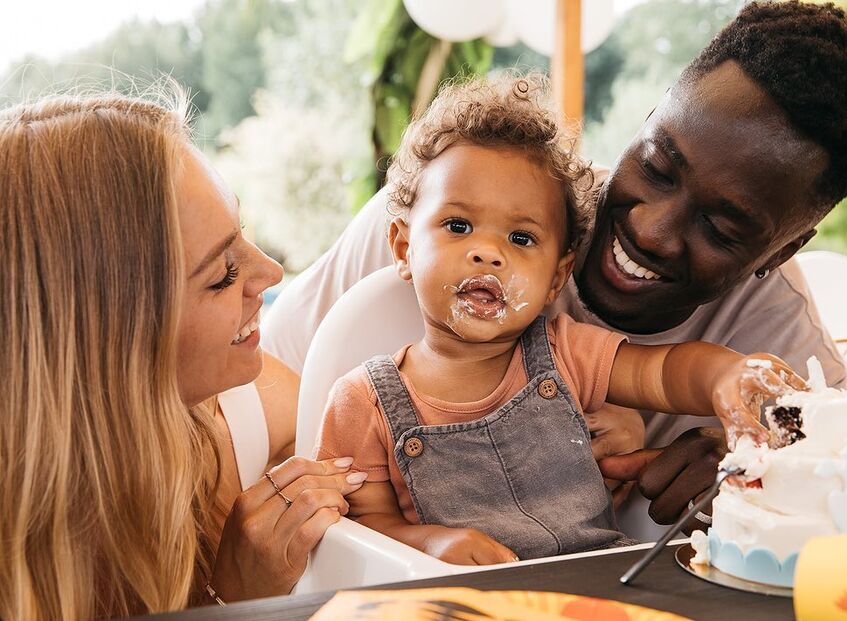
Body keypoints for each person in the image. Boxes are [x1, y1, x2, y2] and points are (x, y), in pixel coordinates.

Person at [263, 1, 847, 540]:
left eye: (723, 227)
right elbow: (268, 386)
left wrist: (747, 461)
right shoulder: (444, 216)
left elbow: (832, 462)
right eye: (657, 165)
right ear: (649, 116)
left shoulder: (775, 326)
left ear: (779, 253)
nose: (652, 228)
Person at [314, 75, 807, 565]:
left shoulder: (567, 353)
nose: (488, 253)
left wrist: (726, 375)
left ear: (556, 277)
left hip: (593, 584)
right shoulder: (361, 401)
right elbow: (361, 530)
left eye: (521, 239)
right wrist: (431, 544)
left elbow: (665, 372)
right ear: (404, 247)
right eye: (458, 226)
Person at [0, 90, 367, 620]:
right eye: (222, 275)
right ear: (112, 334)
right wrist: (231, 600)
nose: (269, 273)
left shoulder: (255, 409)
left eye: (243, 232)